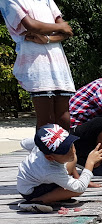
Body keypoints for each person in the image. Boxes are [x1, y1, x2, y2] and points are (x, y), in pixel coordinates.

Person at [0, 0, 75, 130]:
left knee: (64, 117)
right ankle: (45, 150)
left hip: (59, 64)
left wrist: (47, 39)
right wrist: (60, 27)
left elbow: (67, 31)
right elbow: (31, 25)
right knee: (46, 120)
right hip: (36, 63)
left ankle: (66, 150)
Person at [16, 123, 102, 212]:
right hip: (31, 191)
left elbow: (23, 143)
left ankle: (57, 197)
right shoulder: (50, 170)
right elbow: (80, 188)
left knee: (72, 159)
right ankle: (36, 201)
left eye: (70, 145)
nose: (72, 151)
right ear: (50, 157)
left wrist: (79, 178)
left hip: (37, 181)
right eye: (65, 151)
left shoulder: (42, 143)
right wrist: (90, 163)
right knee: (76, 191)